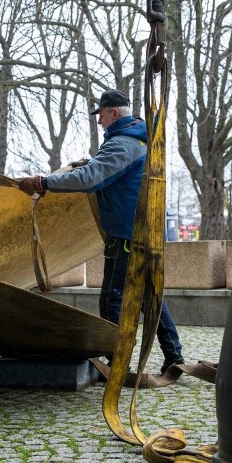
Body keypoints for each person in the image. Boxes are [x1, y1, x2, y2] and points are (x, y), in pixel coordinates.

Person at [18, 89, 184, 374]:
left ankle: (116, 361)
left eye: (102, 115)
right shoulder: (140, 138)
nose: (99, 122)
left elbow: (91, 178)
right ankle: (174, 357)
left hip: (126, 235)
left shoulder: (124, 143)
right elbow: (106, 173)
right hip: (142, 230)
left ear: (114, 113)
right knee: (149, 296)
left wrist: (45, 182)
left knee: (112, 297)